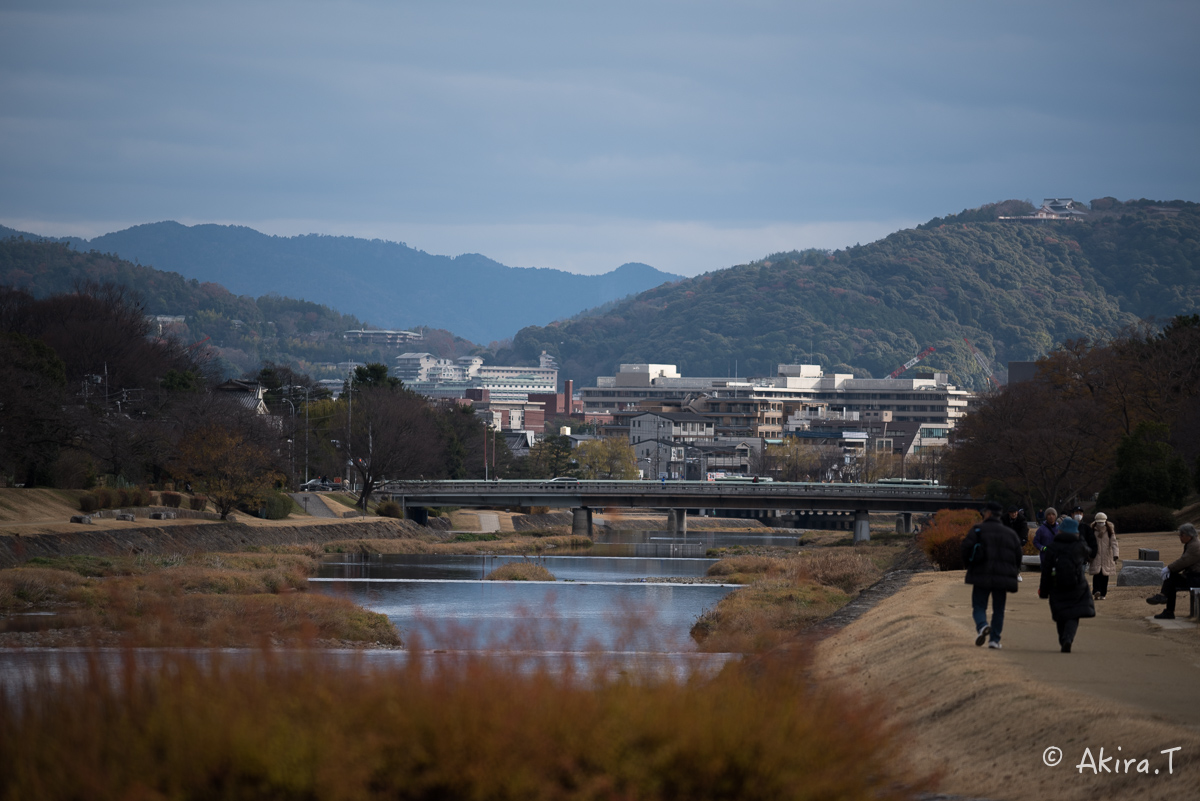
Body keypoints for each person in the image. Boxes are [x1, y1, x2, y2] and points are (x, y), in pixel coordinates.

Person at [961, 500, 1024, 649]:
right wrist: (1013, 571)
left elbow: (965, 548)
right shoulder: (1010, 534)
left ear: (988, 514)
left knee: (979, 606)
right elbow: (1018, 555)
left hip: (981, 575)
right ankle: (994, 640)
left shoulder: (977, 530)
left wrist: (969, 566)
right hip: (1002, 577)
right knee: (999, 609)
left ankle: (982, 626)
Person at [1038, 516, 1095, 653]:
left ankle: (1063, 640)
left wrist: (1044, 590)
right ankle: (1068, 638)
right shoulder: (1079, 546)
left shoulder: (1052, 548)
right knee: (1073, 615)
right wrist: (1079, 537)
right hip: (1077, 585)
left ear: (1060, 531)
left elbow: (1046, 570)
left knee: (1061, 615)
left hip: (1056, 586)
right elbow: (1089, 551)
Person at [1145, 523, 1200, 620]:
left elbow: (1184, 561)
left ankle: (1166, 603)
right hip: (1193, 576)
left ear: (1189, 535)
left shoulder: (1195, 546)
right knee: (1171, 578)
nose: (1180, 537)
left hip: (1196, 578)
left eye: (1181, 535)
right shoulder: (1192, 544)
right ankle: (1166, 604)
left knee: (1172, 578)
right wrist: (1170, 570)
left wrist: (1169, 568)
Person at [1087, 512, 1119, 600]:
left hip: (1106, 556)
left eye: (1102, 522)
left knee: (1105, 576)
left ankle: (1103, 594)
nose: (1101, 524)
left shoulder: (1109, 530)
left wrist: (1115, 554)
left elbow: (1114, 543)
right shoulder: (1092, 530)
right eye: (1099, 522)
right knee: (1096, 574)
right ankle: (1096, 591)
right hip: (1096, 556)